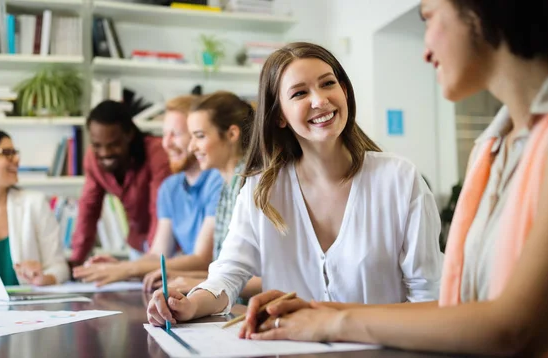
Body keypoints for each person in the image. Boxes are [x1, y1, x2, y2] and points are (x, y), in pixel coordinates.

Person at [222, 1, 548, 357]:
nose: (425, 48)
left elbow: (516, 330)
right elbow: (459, 309)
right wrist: (321, 313)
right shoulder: (492, 145)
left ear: (480, 11)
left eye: (428, 17)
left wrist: (332, 324)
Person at [146, 42, 444, 328]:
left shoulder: (400, 178)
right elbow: (228, 274)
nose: (320, 100)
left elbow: (428, 296)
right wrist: (190, 305)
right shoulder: (260, 190)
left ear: (344, 91)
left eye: (328, 83)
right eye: (300, 93)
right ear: (279, 116)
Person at [73, 95, 223, 286]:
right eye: (164, 134)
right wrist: (121, 266)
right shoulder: (171, 187)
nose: (166, 143)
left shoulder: (219, 181)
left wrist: (126, 269)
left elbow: (202, 260)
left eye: (175, 134)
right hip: (149, 250)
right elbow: (157, 254)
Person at [142, 91, 261, 300]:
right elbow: (229, 270)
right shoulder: (228, 185)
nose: (191, 147)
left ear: (232, 135)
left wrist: (198, 282)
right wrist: (183, 275)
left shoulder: (250, 185)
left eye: (199, 136)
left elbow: (269, 278)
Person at [69, 100, 171, 266]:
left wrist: (152, 260)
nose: (105, 153)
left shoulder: (156, 152)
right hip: (137, 244)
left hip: (168, 244)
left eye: (113, 144)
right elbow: (89, 208)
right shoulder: (93, 159)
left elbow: (159, 207)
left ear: (129, 134)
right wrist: (76, 260)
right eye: (97, 145)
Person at [0, 130, 69, 286]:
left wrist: (44, 278)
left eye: (15, 153)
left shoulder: (35, 204)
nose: (17, 159)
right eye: (7, 153)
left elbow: (60, 267)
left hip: (26, 308)